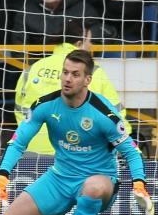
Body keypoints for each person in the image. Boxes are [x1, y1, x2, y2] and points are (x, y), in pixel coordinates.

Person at [0, 48, 153, 215]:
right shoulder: (45, 105)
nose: (68, 79)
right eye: (65, 72)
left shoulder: (103, 113)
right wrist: (0, 179)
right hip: (59, 178)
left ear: (88, 79)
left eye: (75, 74)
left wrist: (139, 184)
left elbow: (132, 152)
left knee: (93, 187)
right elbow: (18, 142)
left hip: (101, 179)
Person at [14, 19, 129, 157]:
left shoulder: (33, 68)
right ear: (79, 44)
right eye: (89, 41)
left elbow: (20, 110)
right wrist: (124, 143)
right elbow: (115, 113)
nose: (91, 46)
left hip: (32, 150)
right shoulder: (92, 72)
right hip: (76, 152)